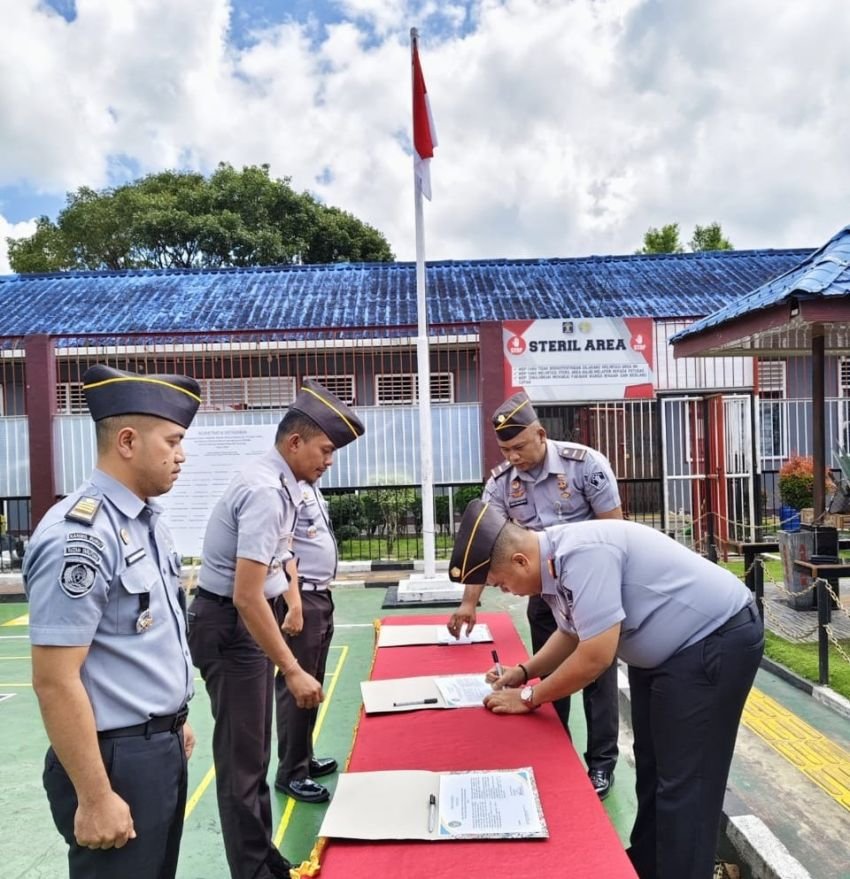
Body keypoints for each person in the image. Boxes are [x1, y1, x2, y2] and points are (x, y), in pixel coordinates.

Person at [449, 499, 764, 879]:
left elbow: (595, 658)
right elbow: (571, 631)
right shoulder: (554, 561)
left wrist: (530, 697)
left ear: (520, 561)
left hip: (711, 643)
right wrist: (524, 671)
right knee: (652, 767)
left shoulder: (582, 555)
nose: (507, 591)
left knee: (686, 784)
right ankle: (649, 865)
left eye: (502, 583)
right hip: (667, 656)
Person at [24, 364, 202, 879]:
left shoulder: (147, 524)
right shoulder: (80, 537)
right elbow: (55, 680)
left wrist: (173, 715)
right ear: (127, 441)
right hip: (113, 762)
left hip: (158, 747)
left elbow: (140, 639)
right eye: (172, 440)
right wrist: (96, 796)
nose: (181, 455)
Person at [188, 379, 364, 879]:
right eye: (325, 450)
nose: (328, 461)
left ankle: (262, 858)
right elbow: (245, 593)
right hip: (230, 622)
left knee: (254, 753)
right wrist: (291, 669)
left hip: (241, 620)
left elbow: (276, 562)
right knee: (244, 761)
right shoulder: (266, 491)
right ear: (294, 443)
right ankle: (255, 870)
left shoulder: (284, 484)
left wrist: (289, 600)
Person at [447, 391, 621, 797]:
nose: (514, 457)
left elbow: (617, 531)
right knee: (550, 674)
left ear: (541, 434)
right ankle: (555, 751)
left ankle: (601, 764)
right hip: (542, 594)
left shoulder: (584, 466)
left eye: (520, 446)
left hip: (593, 590)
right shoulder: (502, 483)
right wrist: (469, 601)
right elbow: (485, 544)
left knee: (596, 675)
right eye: (506, 450)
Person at [273, 462, 349, 802]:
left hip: (319, 595)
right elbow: (282, 550)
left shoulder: (309, 487)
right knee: (297, 687)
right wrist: (294, 603)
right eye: (323, 450)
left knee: (312, 682)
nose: (327, 459)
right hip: (302, 597)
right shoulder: (286, 490)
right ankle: (291, 772)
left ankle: (303, 757)